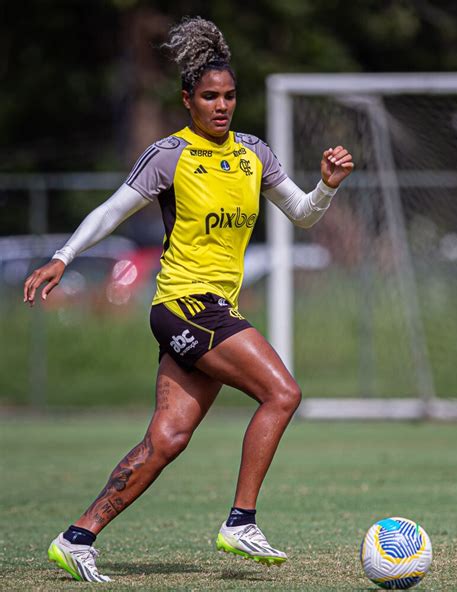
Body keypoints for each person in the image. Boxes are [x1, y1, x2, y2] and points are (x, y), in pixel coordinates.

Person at [23, 17, 354, 583]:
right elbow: (110, 211)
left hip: (212, 310)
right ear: (187, 100)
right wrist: (64, 256)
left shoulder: (254, 153)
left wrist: (325, 183)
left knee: (168, 438)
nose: (221, 106)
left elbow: (302, 215)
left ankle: (77, 536)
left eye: (229, 96)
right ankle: (241, 521)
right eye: (209, 96)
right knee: (282, 392)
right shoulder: (169, 155)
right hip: (184, 304)